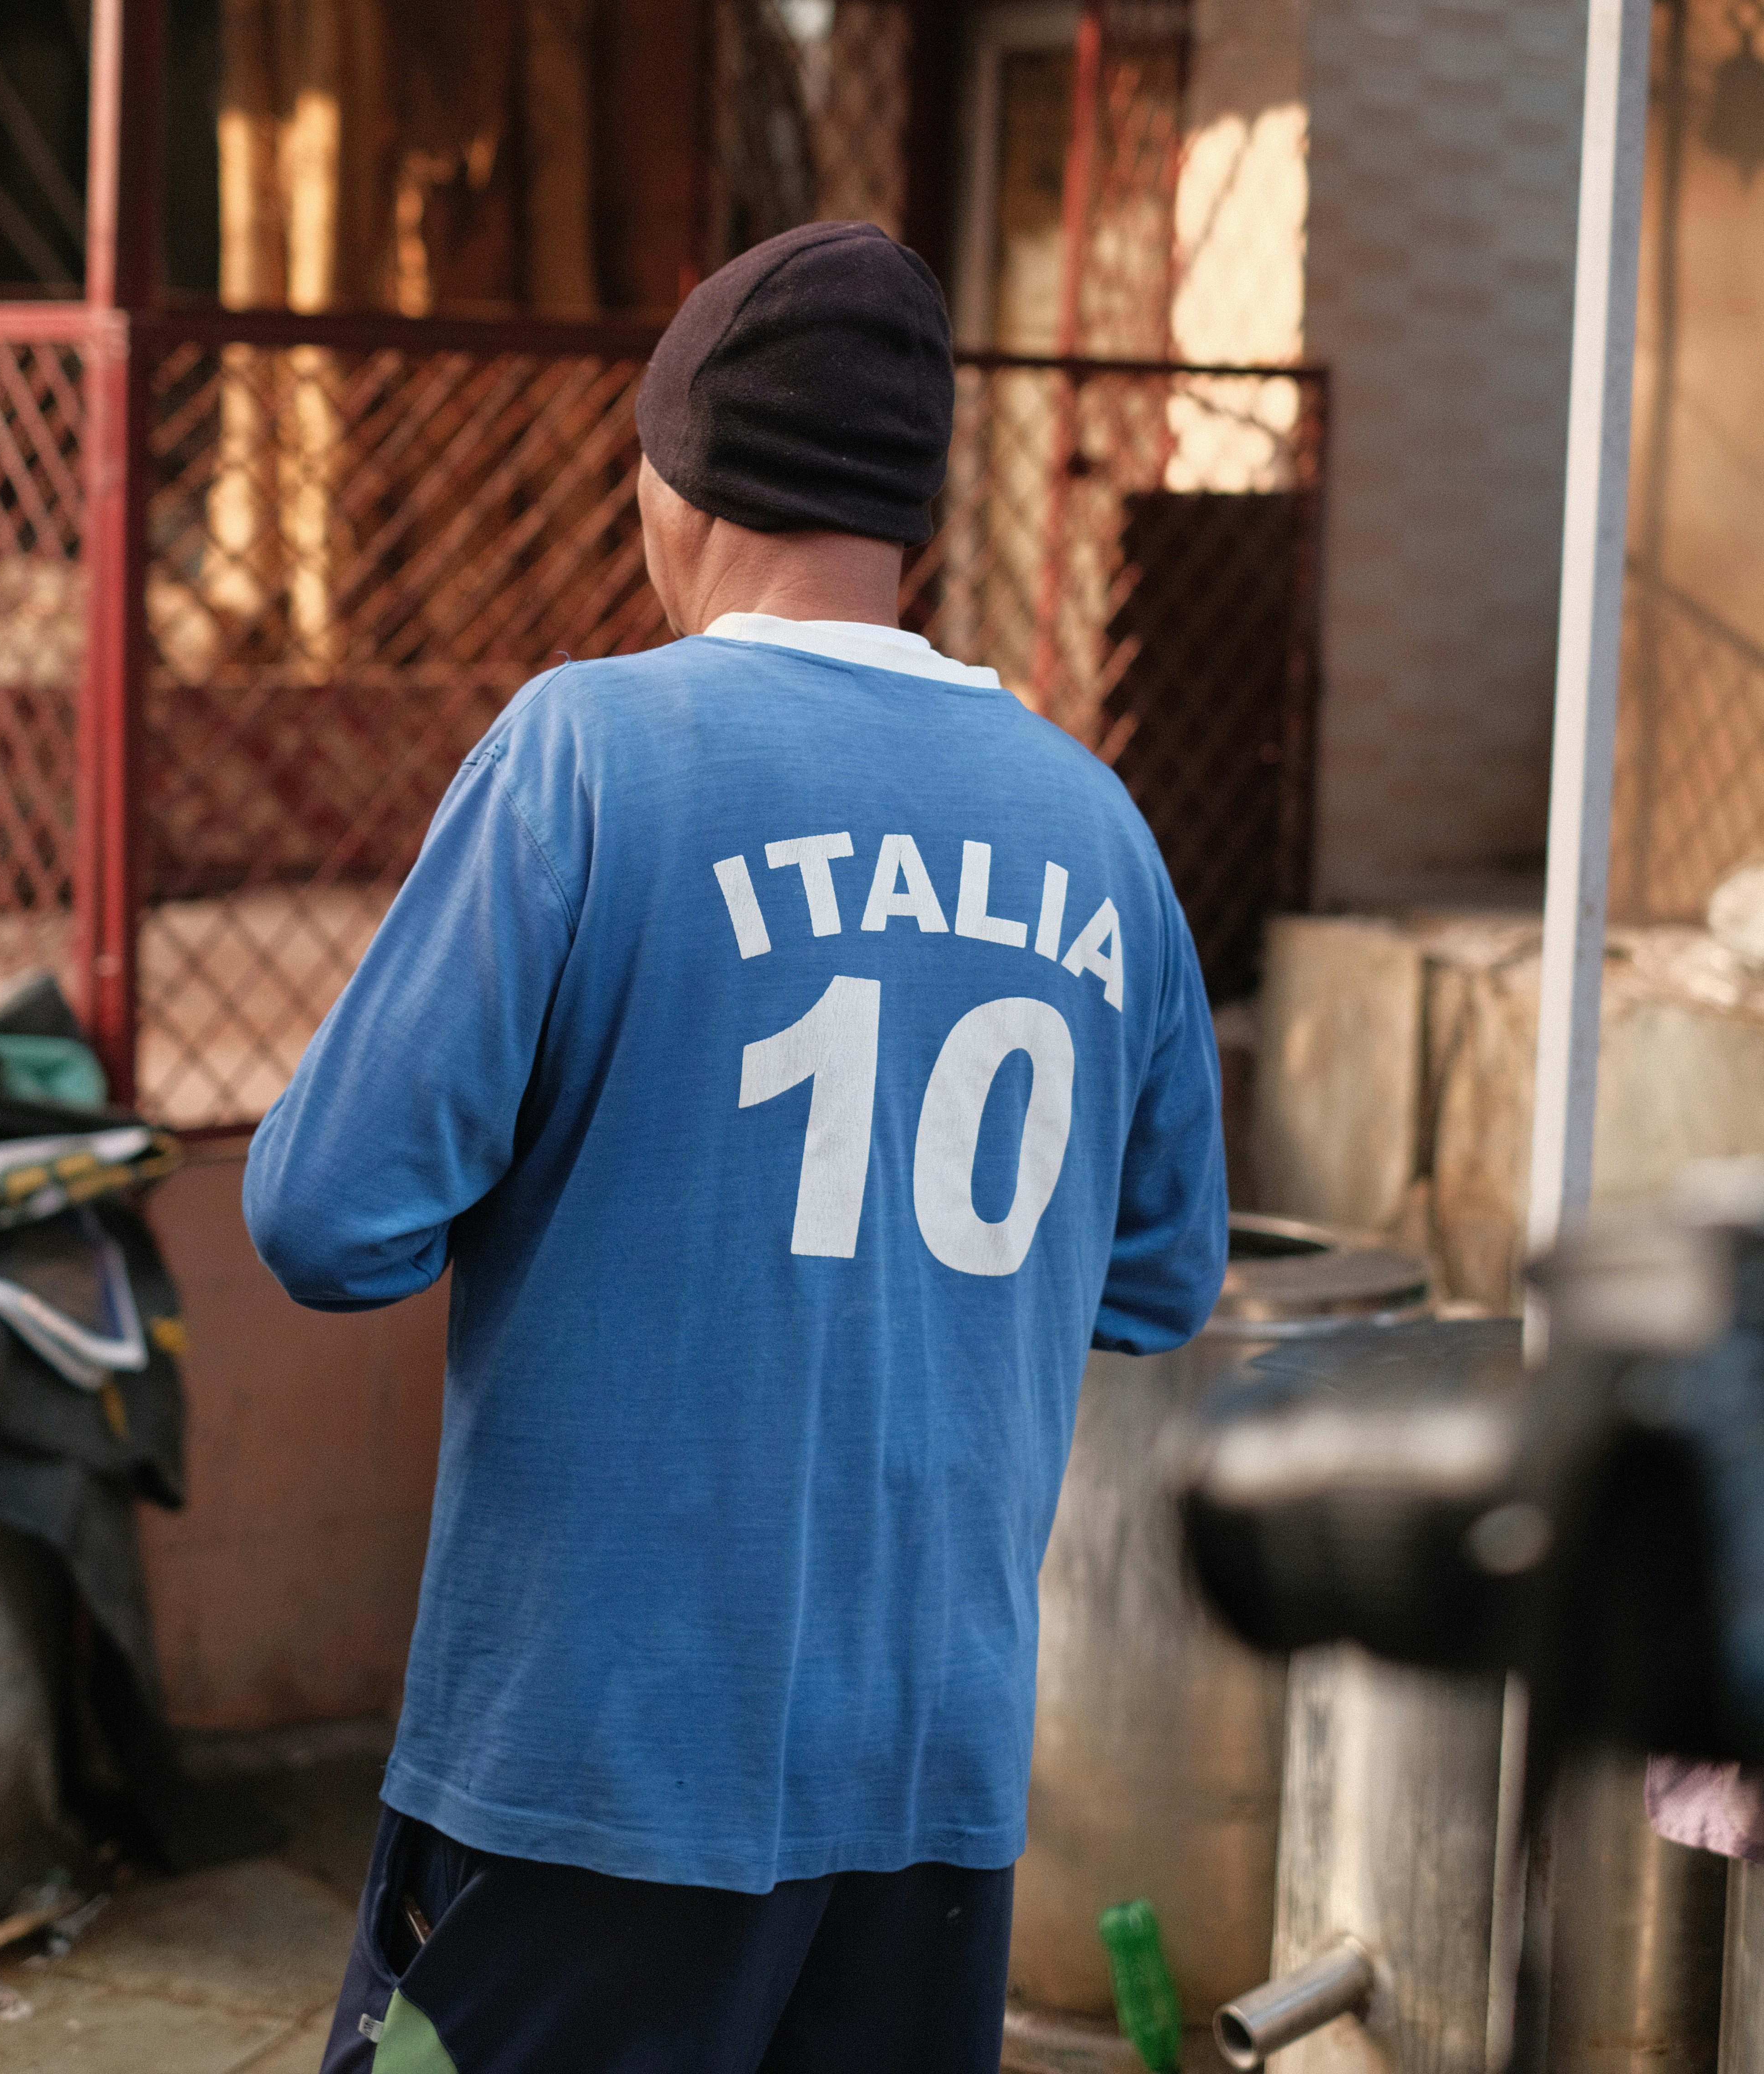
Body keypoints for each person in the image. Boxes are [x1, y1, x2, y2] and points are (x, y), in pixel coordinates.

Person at [245, 219, 1227, 2074]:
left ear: (672, 479)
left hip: (594, 1770)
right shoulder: (1096, 827)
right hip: (929, 1782)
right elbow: (1162, 1275)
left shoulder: (590, 756)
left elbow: (323, 1215)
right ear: (911, 516)